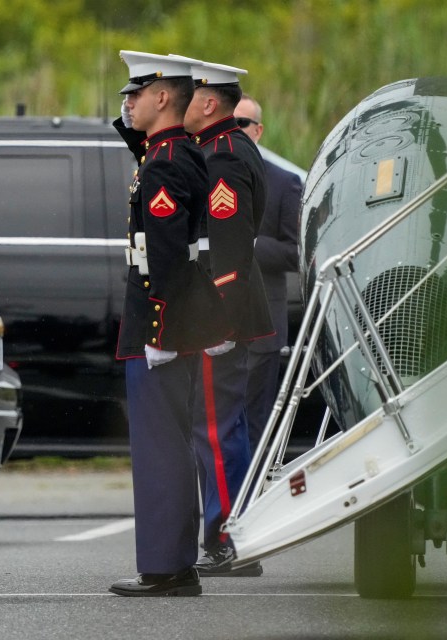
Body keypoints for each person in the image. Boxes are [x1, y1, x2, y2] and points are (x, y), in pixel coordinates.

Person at [108, 51, 230, 597]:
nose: (126, 104)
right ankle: (172, 562)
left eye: (135, 95)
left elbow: (167, 255)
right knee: (169, 443)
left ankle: (166, 568)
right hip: (170, 321)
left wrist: (158, 334)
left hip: (158, 323)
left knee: (161, 448)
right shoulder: (173, 152)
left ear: (162, 97)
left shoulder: (166, 161)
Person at [182, 60, 273, 577]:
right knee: (217, 426)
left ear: (210, 102)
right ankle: (227, 534)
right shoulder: (226, 148)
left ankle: (228, 538)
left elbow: (230, 250)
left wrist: (219, 320)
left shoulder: (223, 156)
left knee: (217, 430)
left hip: (222, 313)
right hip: (224, 311)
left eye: (189, 96)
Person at [233, 95, 302, 452]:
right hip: (217, 326)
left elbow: (296, 252)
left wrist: (250, 246)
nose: (234, 130)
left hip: (262, 326)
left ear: (258, 131)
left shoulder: (284, 183)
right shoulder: (210, 177)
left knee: (255, 424)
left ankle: (254, 500)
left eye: (242, 123)